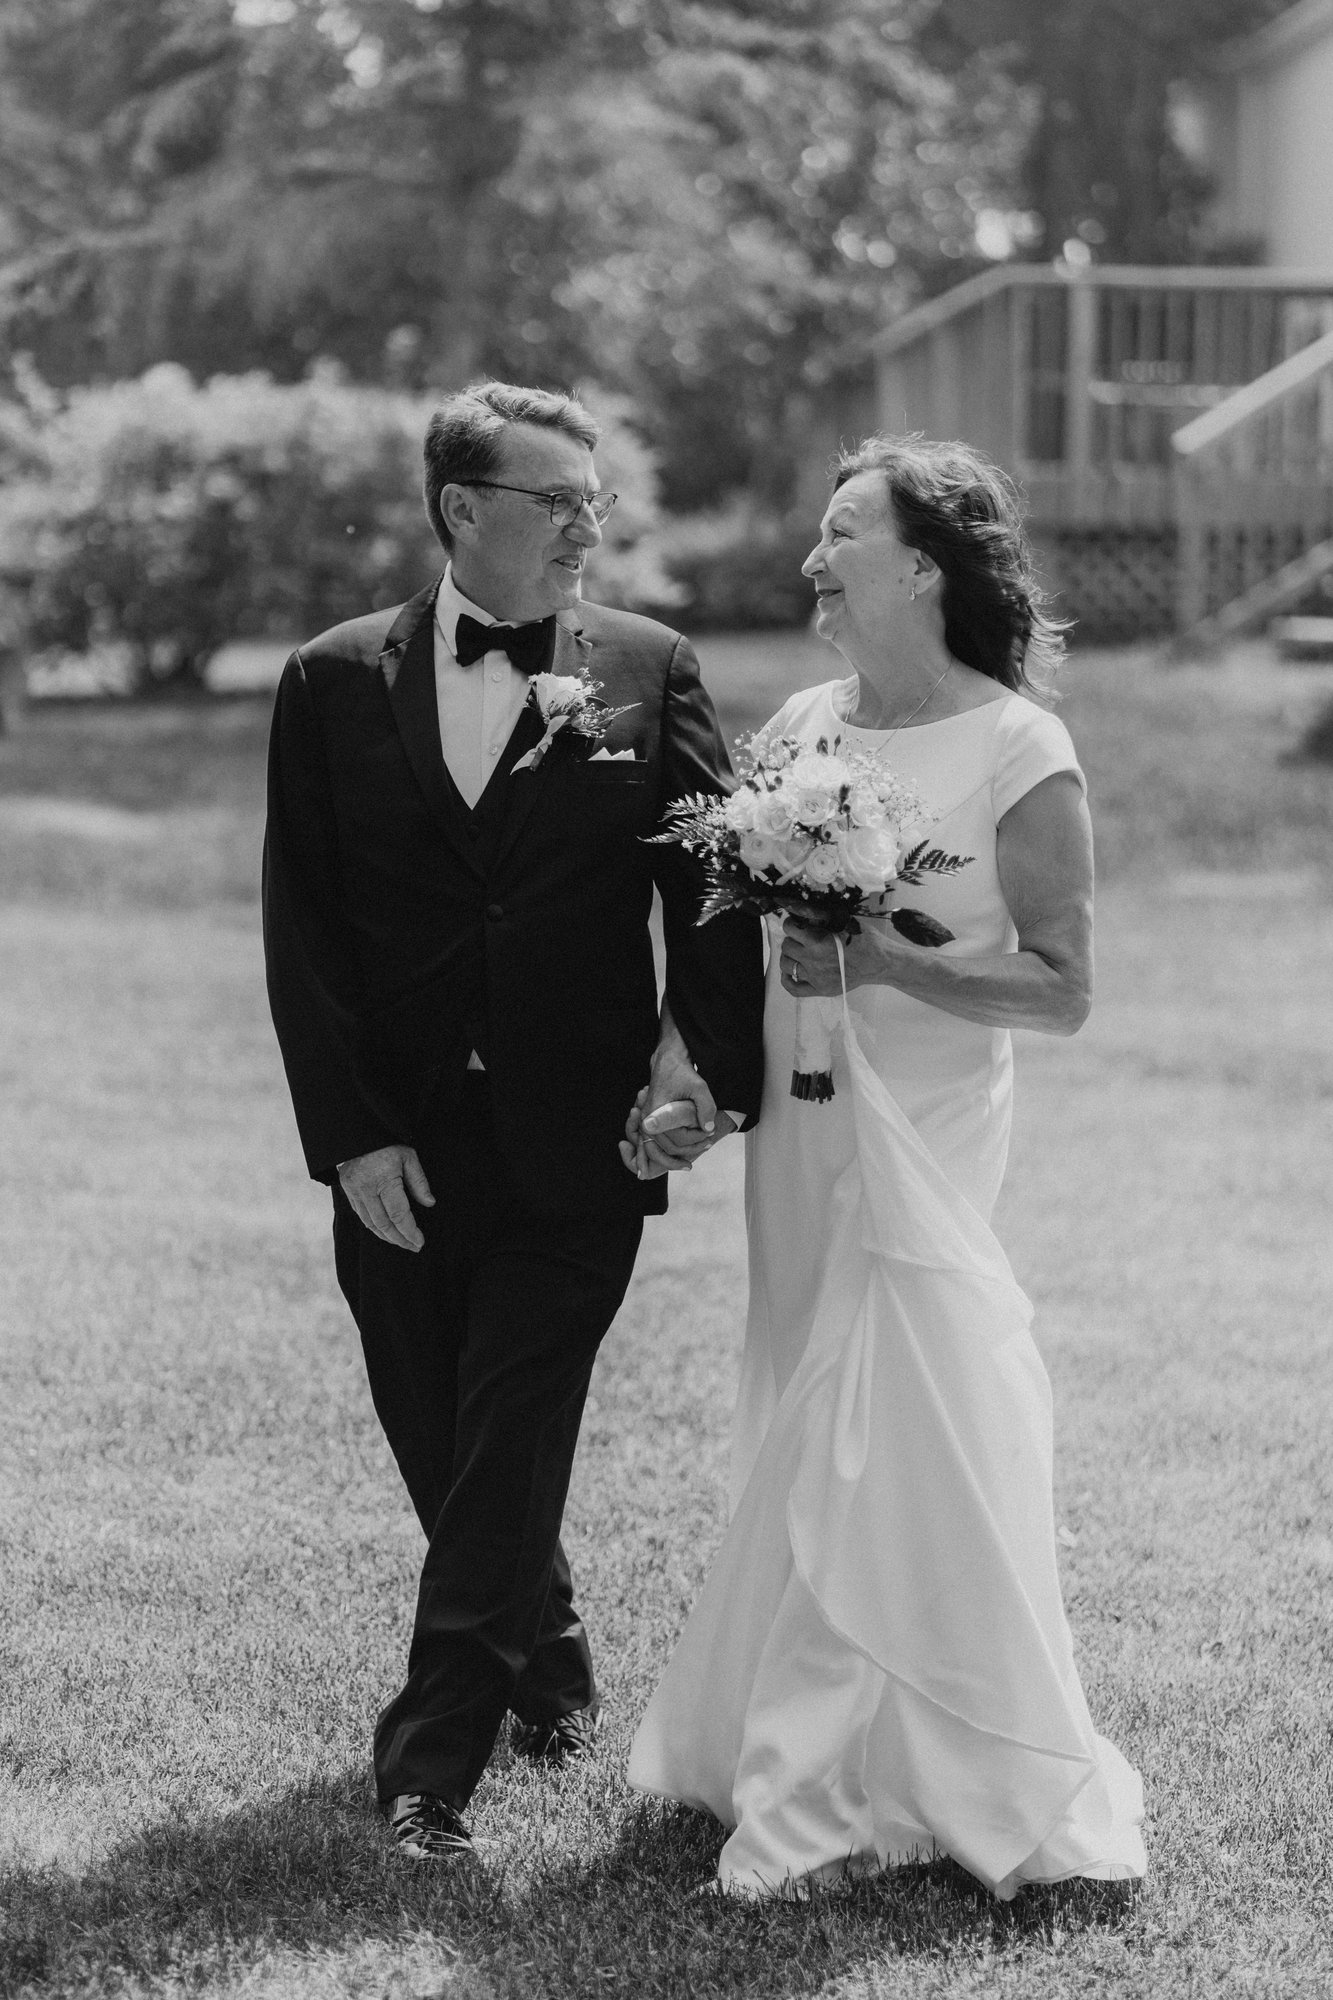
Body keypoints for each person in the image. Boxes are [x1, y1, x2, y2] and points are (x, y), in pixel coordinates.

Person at [627, 435, 1147, 1900]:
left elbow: (1059, 990)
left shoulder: (1015, 750)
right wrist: (696, 1081)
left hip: (921, 1127)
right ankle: (805, 1738)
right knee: (803, 1379)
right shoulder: (798, 722)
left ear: (919, 565)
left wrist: (881, 966)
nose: (811, 557)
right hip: (799, 1121)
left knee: (893, 1395)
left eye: (841, 530)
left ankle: (850, 1776)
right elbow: (735, 942)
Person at [262, 381, 764, 1861]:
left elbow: (716, 891)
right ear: (462, 512)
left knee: (509, 1434)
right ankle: (545, 1660)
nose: (588, 533)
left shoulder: (647, 668)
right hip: (398, 1147)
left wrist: (695, 1074)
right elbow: (306, 928)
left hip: (579, 1144)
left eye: (596, 506)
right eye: (560, 505)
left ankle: (427, 1772)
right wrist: (352, 1136)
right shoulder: (330, 680)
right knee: (442, 1438)